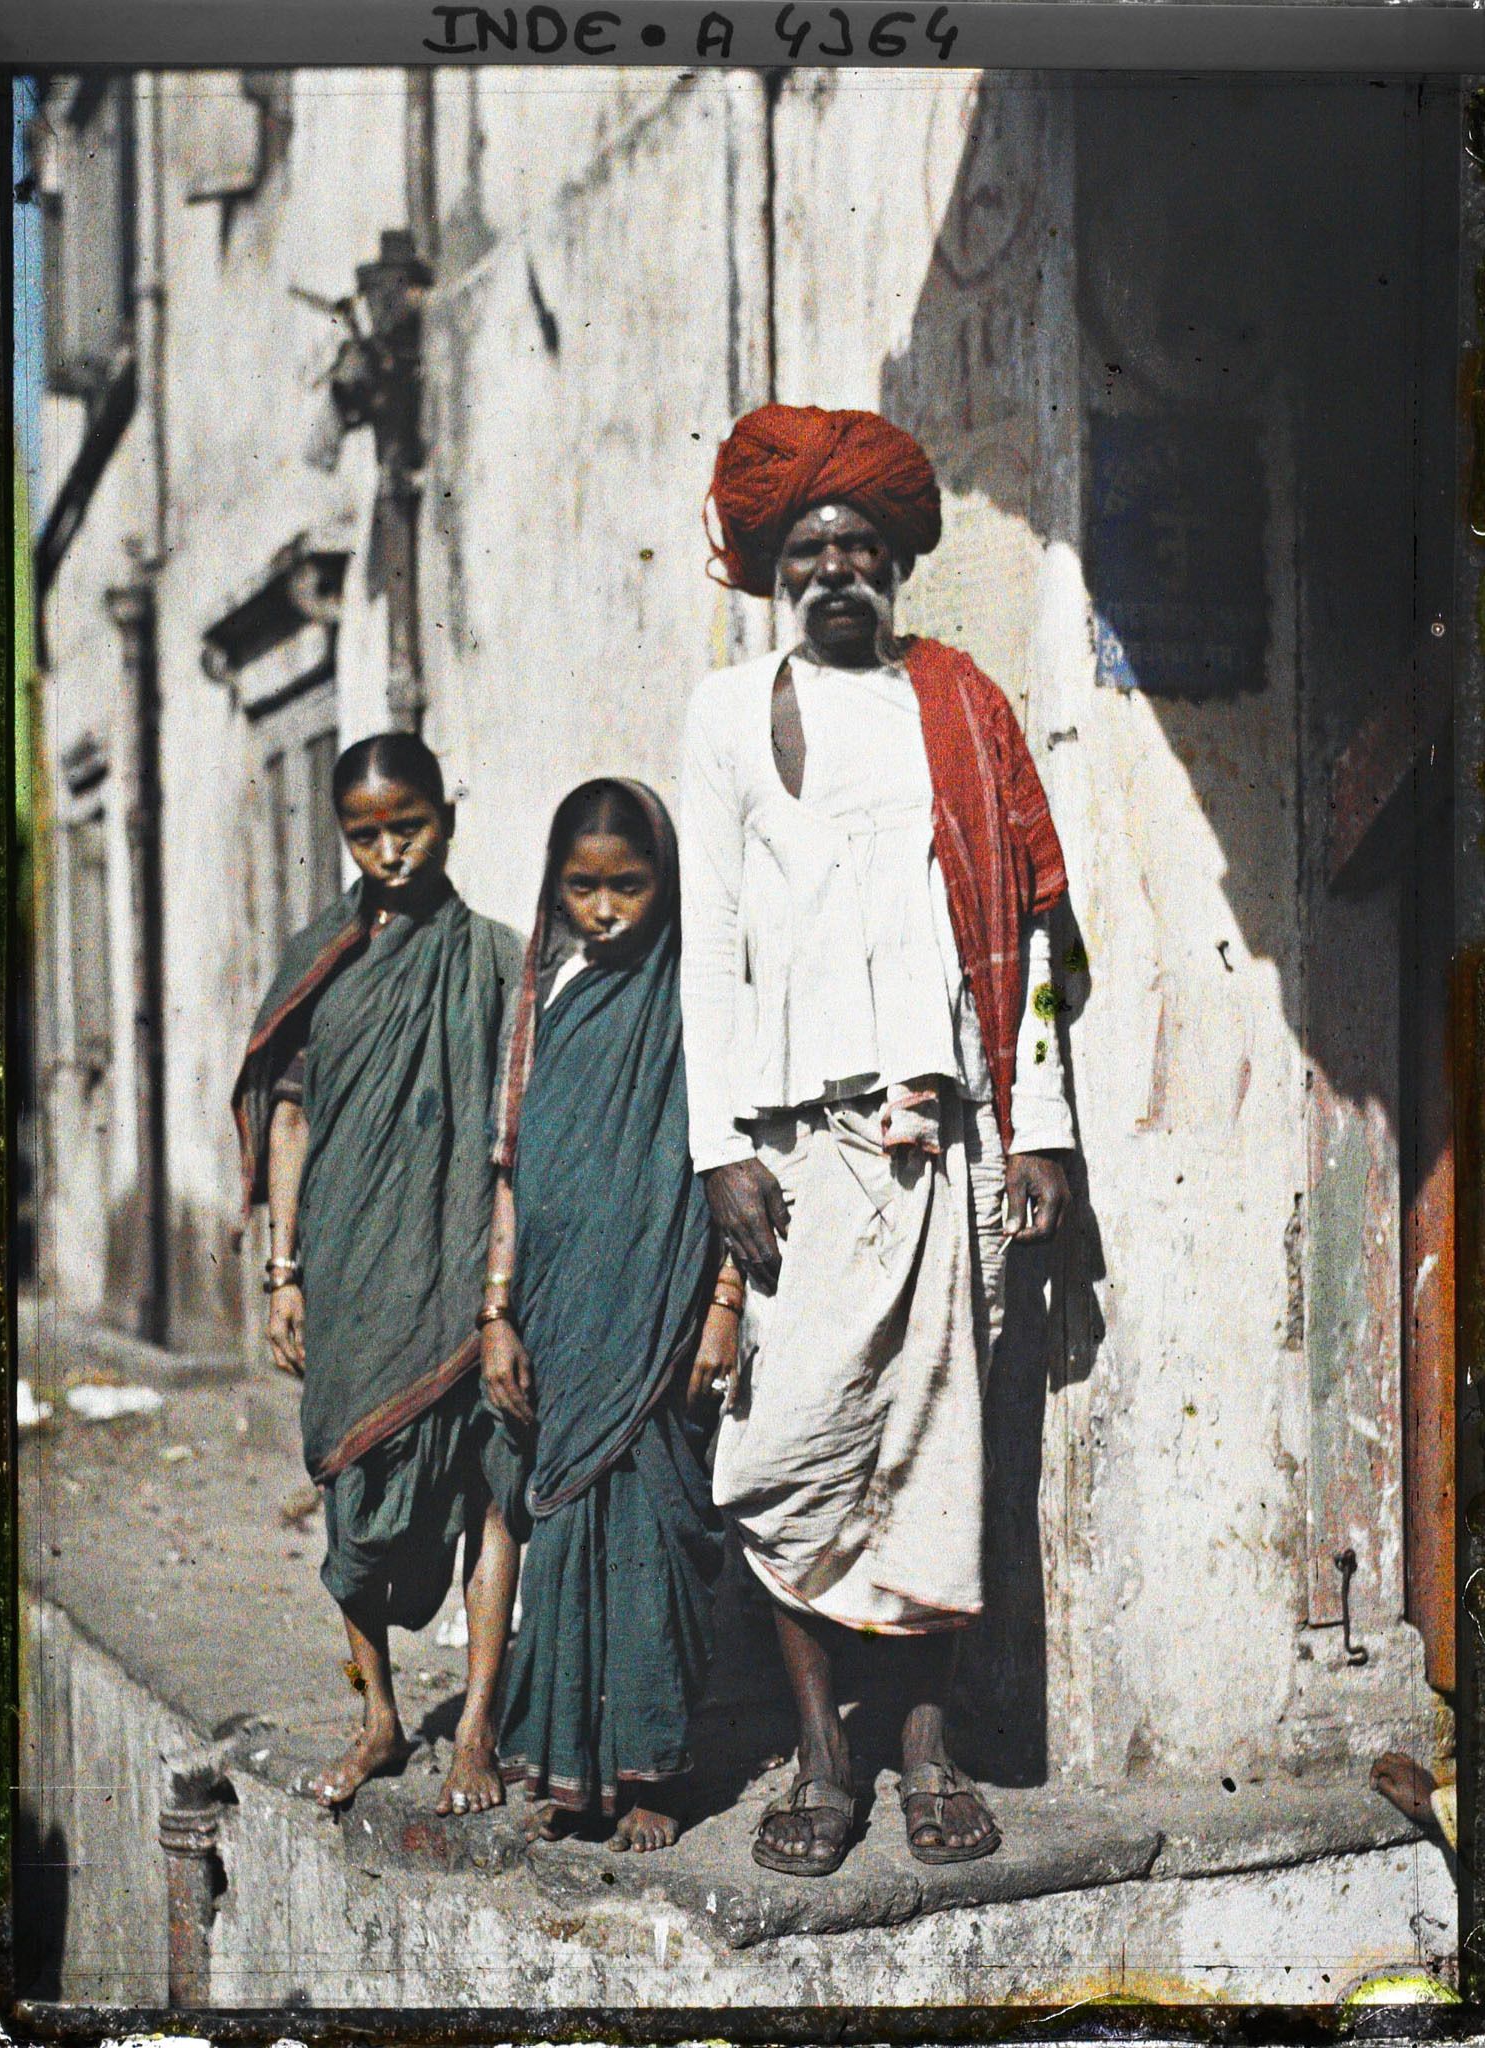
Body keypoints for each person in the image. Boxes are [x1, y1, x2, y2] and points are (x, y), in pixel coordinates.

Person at [678, 403, 1076, 1875]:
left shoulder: (957, 704)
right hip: (798, 1150)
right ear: (774, 572)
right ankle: (818, 1753)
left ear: (895, 561)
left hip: (946, 1139)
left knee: (935, 1457)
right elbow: (705, 942)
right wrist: (720, 1143)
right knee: (782, 1452)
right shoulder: (728, 714)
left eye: (859, 547)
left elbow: (1029, 934)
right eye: (809, 551)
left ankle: (915, 1747)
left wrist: (1043, 1131)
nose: (837, 570)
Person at [233, 733, 526, 1814]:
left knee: (491, 1491)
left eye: (410, 824)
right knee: (349, 1499)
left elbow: (515, 1124)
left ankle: (479, 1727)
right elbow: (293, 1116)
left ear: (447, 814)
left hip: (465, 1263)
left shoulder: (496, 957)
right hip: (352, 1270)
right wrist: (283, 1271)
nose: (392, 848)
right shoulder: (326, 962)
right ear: (342, 836)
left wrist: (501, 1283)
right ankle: (379, 1713)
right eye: (366, 833)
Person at [480, 779, 738, 1852]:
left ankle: (655, 1772)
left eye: (627, 884)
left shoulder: (702, 996)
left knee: (653, 1530)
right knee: (564, 1526)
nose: (604, 909)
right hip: (557, 1306)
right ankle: (570, 1765)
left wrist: (721, 1304)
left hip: (664, 1308)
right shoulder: (548, 1001)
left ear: (665, 882)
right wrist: (496, 1313)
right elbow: (509, 1171)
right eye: (581, 887)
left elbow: (732, 1158)